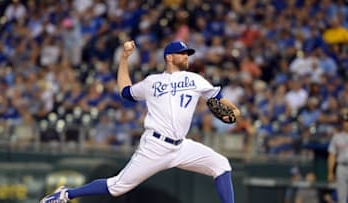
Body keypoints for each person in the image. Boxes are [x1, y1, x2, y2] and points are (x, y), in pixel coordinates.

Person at [39, 40, 240, 203]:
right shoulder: (152, 82)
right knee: (117, 187)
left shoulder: (196, 79)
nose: (186, 56)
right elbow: (125, 92)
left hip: (181, 146)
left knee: (221, 165)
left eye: (188, 53)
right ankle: (65, 194)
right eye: (182, 53)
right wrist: (125, 58)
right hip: (155, 146)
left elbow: (219, 98)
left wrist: (234, 110)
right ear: (169, 57)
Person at [327, 107, 348, 203]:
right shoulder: (337, 136)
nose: (346, 123)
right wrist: (331, 172)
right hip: (341, 167)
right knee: (341, 198)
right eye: (345, 121)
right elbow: (332, 155)